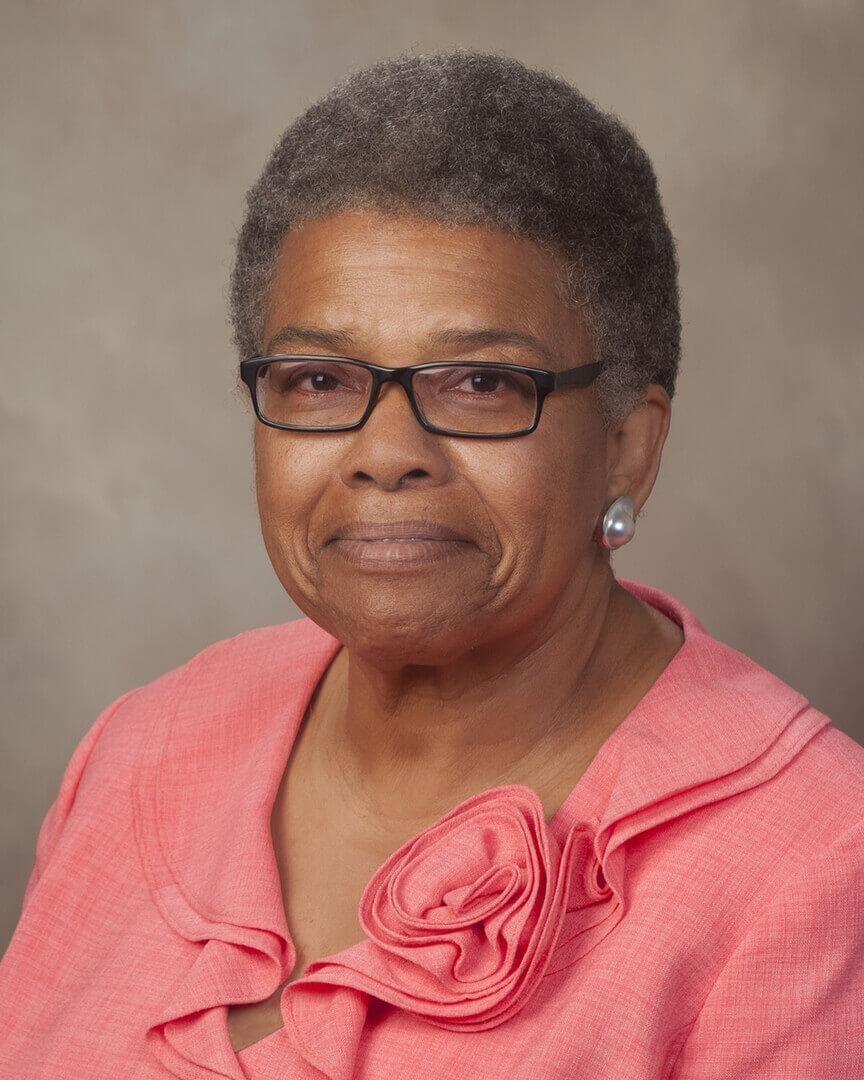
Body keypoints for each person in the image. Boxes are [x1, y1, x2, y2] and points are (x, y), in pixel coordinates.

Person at [1, 49, 862, 1080]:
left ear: (630, 445)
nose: (386, 451)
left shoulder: (815, 868)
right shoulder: (143, 749)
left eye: (482, 384)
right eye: (319, 378)